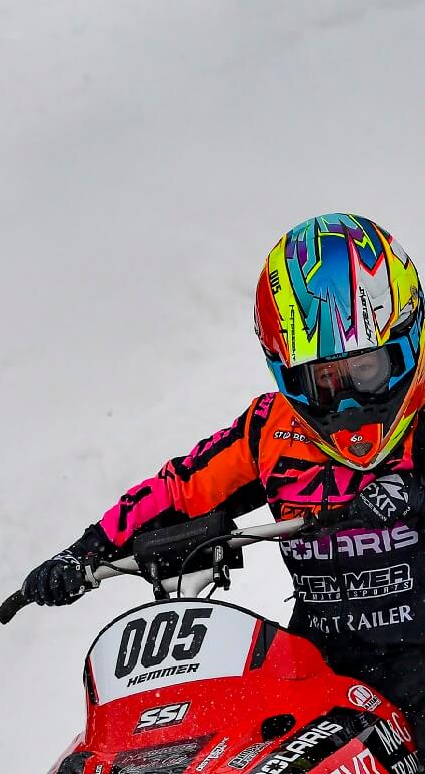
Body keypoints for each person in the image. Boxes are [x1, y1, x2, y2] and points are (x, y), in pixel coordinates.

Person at [21, 211, 425, 727]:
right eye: (322, 380)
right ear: (286, 374)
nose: (345, 402)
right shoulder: (270, 430)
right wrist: (83, 553)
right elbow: (177, 491)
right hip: (321, 671)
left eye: (365, 369)